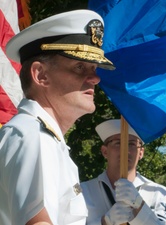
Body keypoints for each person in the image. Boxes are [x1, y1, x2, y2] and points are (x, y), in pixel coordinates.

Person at [0, 10, 115, 225]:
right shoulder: (34, 136)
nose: (95, 78)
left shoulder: (43, 138)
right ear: (40, 75)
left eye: (94, 68)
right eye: (80, 67)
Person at [81, 119, 166, 225]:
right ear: (105, 151)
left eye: (132, 144)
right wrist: (105, 222)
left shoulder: (159, 193)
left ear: (141, 153)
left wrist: (140, 206)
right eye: (118, 143)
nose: (125, 150)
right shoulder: (84, 192)